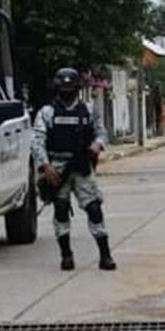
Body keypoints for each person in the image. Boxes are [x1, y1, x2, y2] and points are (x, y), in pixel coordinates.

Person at [32, 68, 116, 271]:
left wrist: (97, 144)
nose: (67, 92)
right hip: (57, 167)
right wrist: (46, 166)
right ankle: (66, 255)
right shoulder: (47, 113)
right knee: (61, 209)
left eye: (71, 88)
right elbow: (37, 141)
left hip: (81, 166)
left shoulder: (88, 110)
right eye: (63, 88)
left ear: (78, 89)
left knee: (94, 208)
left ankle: (105, 255)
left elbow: (101, 133)